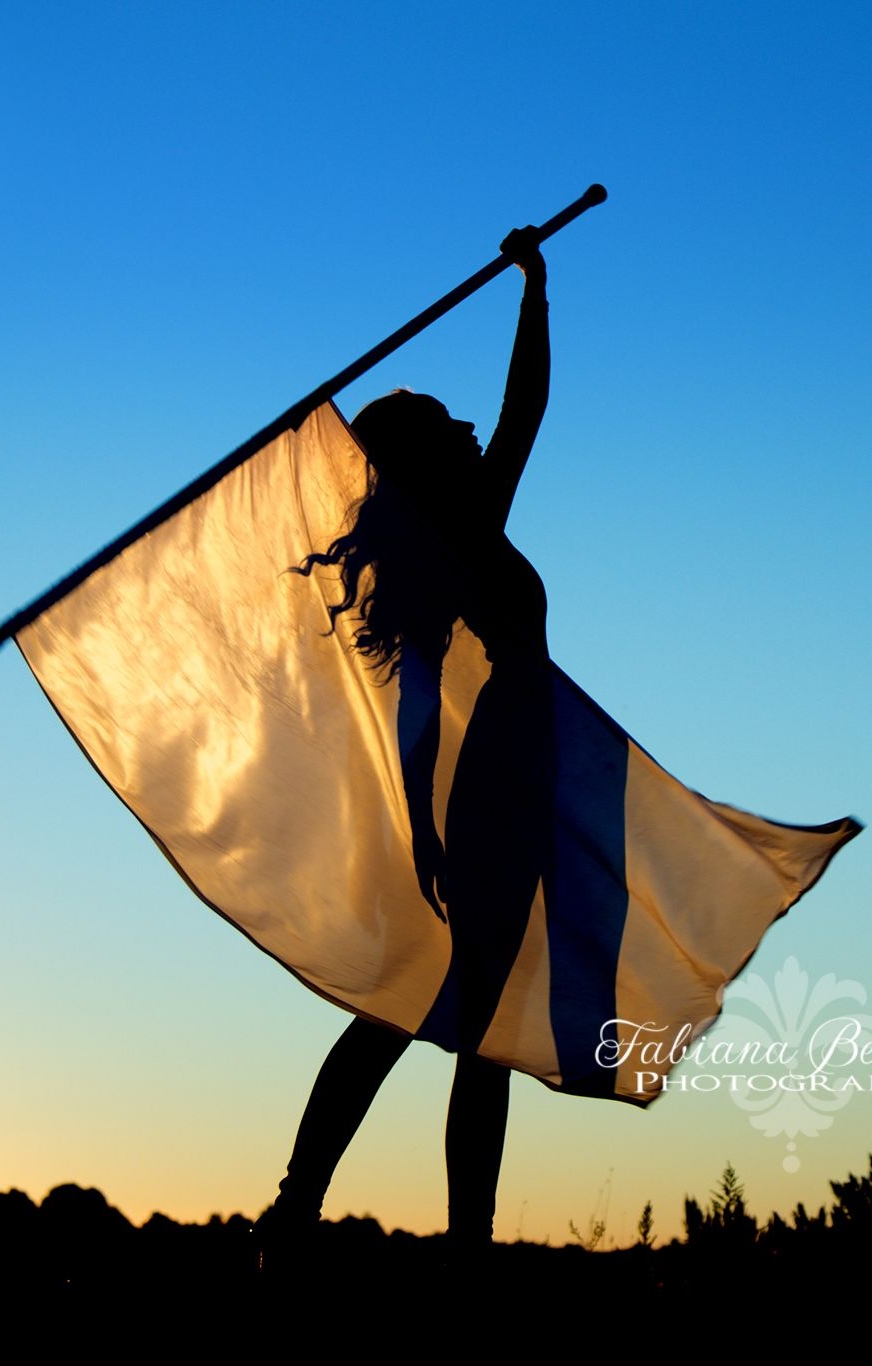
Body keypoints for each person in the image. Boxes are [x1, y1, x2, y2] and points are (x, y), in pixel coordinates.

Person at [260, 226, 553, 1275]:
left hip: (519, 782)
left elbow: (421, 706)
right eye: (440, 423)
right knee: (456, 1018)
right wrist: (534, 291)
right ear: (424, 459)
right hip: (506, 786)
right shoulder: (462, 535)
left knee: (456, 1015)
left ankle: (309, 1207)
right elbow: (524, 414)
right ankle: (400, 1231)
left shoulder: (448, 541)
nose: (466, 430)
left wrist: (429, 818)